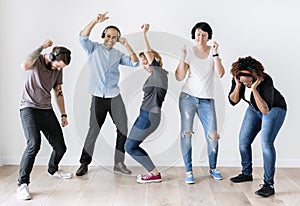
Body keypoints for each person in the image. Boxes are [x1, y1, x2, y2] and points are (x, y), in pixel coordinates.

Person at [76, 11, 139, 176]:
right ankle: (84, 163)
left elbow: (134, 62)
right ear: (104, 35)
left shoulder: (118, 54)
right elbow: (82, 37)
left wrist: (126, 45)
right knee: (93, 131)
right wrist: (95, 21)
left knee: (123, 129)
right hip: (98, 97)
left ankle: (119, 163)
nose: (110, 39)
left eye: (114, 37)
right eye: (108, 36)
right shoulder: (93, 49)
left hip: (114, 97)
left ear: (117, 39)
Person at [17, 39, 73, 200]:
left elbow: (58, 91)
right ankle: (22, 184)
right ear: (52, 56)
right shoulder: (37, 60)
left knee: (60, 147)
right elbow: (24, 65)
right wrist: (41, 46)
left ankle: (53, 170)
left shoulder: (58, 69)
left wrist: (63, 114)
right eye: (58, 65)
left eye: (61, 68)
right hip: (28, 108)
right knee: (34, 144)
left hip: (46, 109)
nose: (58, 69)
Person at [228, 56, 287, 197]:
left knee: (266, 143)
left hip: (274, 109)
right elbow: (233, 101)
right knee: (243, 141)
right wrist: (238, 85)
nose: (246, 84)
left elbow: (266, 110)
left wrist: (254, 89)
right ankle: (246, 173)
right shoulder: (238, 79)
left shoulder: (265, 80)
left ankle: (269, 184)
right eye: (243, 81)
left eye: (248, 82)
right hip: (253, 109)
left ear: (254, 76)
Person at [175, 22, 225, 184]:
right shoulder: (189, 51)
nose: (200, 38)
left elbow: (220, 73)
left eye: (204, 35)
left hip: (206, 100)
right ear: (194, 35)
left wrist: (216, 53)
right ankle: (189, 171)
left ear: (208, 36)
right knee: (186, 134)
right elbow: (179, 76)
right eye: (198, 34)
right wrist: (182, 58)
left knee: (212, 136)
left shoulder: (212, 52)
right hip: (188, 97)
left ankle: (213, 168)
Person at [124, 23, 168, 183]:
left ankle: (154, 174)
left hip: (149, 116)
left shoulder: (160, 74)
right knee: (130, 146)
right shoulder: (154, 76)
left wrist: (143, 34)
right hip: (144, 114)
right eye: (142, 63)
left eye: (146, 62)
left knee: (129, 147)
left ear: (154, 61)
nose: (144, 65)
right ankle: (153, 173)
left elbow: (148, 52)